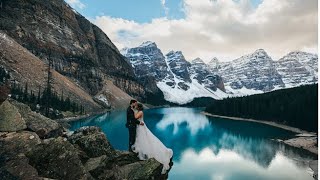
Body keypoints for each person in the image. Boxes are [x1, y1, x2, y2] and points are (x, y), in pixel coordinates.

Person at [131, 103, 173, 174]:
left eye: (136, 106)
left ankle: (145, 151)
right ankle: (142, 150)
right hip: (140, 126)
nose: (136, 107)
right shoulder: (139, 111)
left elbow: (135, 117)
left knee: (143, 138)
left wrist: (133, 110)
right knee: (140, 138)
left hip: (141, 127)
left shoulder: (140, 112)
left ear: (139, 107)